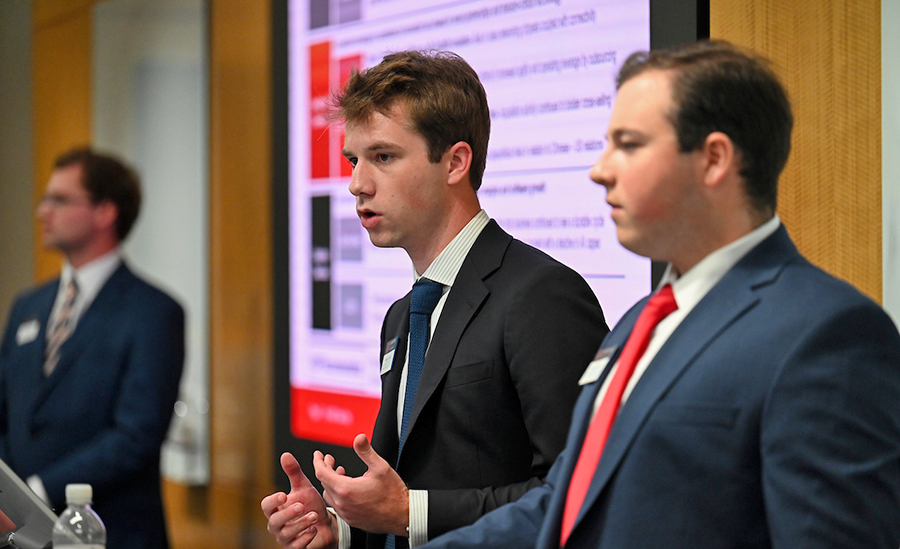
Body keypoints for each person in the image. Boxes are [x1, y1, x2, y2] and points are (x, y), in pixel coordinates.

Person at [417, 40, 900, 549]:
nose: (599, 169)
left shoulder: (827, 334)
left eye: (628, 144)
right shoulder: (637, 322)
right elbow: (562, 507)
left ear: (714, 158)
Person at [262, 50, 609, 549]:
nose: (357, 183)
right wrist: (340, 530)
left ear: (455, 162)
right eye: (353, 160)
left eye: (383, 156)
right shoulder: (402, 316)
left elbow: (578, 495)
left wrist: (410, 512)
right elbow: (405, 493)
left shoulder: (541, 294)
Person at [0, 147, 185, 549]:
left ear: (105, 212)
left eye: (60, 200)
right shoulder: (27, 306)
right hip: (17, 534)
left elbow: (135, 436)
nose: (42, 212)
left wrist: (34, 492)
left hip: (112, 532)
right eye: (45, 199)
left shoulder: (153, 312)